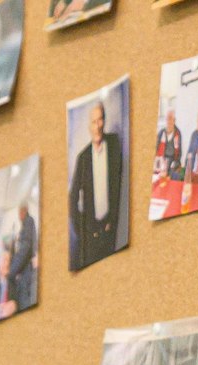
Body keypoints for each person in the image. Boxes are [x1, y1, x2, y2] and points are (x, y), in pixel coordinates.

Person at [68, 98, 125, 270]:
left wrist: (113, 220)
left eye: (100, 120)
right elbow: (72, 198)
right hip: (92, 235)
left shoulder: (114, 144)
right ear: (89, 126)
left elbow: (120, 183)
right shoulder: (83, 158)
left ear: (104, 121)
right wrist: (83, 230)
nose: (98, 126)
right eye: (94, 122)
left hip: (111, 229)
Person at [4, 201, 38, 314]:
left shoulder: (29, 221)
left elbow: (25, 248)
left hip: (25, 268)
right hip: (22, 267)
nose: (19, 215)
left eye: (20, 212)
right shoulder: (25, 224)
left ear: (24, 210)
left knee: (23, 300)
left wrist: (12, 270)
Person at [154, 105, 185, 186]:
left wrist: (173, 165)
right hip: (162, 160)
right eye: (167, 118)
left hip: (173, 161)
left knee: (175, 175)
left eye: (171, 118)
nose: (169, 121)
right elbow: (156, 150)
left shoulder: (178, 133)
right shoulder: (161, 133)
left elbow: (179, 153)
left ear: (174, 120)